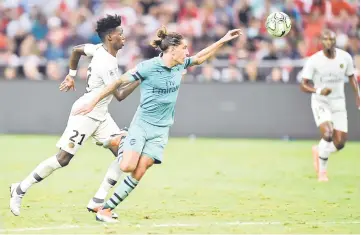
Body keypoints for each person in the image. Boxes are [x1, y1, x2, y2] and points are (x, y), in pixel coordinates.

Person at [74, 26, 242, 222]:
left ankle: (106, 209)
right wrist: (92, 102)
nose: (187, 52)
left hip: (161, 129)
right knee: (127, 166)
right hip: (142, 124)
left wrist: (224, 39)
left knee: (142, 168)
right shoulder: (148, 67)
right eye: (184, 48)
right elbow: (117, 83)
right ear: (172, 49)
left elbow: (201, 57)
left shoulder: (181, 65)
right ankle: (121, 139)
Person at [10, 15, 139, 217]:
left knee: (124, 153)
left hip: (101, 115)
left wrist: (71, 74)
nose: (123, 37)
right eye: (120, 33)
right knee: (63, 159)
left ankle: (97, 201)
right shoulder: (106, 64)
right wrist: (141, 78)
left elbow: (76, 50)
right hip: (86, 113)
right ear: (110, 37)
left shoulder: (97, 49)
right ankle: (19, 189)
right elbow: (120, 95)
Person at [300, 29, 360, 182]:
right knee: (328, 133)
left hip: (338, 101)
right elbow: (303, 85)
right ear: (321, 42)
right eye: (325, 40)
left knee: (340, 143)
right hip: (321, 101)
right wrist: (319, 90)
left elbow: (351, 77)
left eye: (331, 39)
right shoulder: (314, 60)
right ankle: (322, 173)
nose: (328, 42)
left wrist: (358, 95)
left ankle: (319, 150)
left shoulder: (344, 57)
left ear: (335, 41)